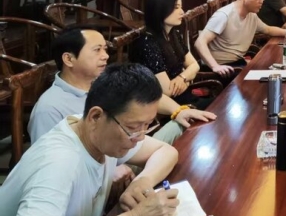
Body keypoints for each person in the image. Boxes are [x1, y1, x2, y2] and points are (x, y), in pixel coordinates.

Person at [0, 63, 180, 216]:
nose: (140, 137)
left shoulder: (99, 132)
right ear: (95, 117)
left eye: (147, 125)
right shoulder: (59, 160)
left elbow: (166, 152)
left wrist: (141, 182)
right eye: (133, 128)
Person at [29, 27, 215, 145]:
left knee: (187, 124)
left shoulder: (103, 81)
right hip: (104, 172)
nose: (105, 56)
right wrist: (110, 169)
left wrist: (179, 111)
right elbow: (49, 163)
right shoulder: (49, 108)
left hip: (127, 151)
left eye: (105, 49)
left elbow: (144, 97)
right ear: (69, 59)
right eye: (97, 50)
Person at [130, 0, 213, 109]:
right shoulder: (147, 43)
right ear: (160, 10)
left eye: (181, 7)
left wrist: (182, 78)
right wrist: (188, 79)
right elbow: (168, 91)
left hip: (187, 97)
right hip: (174, 107)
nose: (182, 12)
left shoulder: (174, 34)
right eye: (176, 8)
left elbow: (195, 65)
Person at [195, 0, 286, 77]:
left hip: (237, 63)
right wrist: (215, 66)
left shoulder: (251, 15)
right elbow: (199, 42)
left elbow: (268, 29)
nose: (261, 1)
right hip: (222, 69)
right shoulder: (224, 15)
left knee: (278, 71)